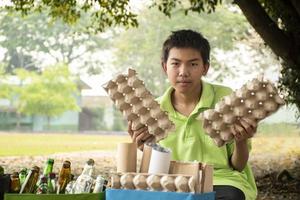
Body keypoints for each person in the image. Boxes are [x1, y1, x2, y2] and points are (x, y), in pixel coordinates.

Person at [128, 29, 257, 200]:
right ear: (164, 67)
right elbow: (154, 172)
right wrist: (144, 148)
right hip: (172, 183)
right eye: (175, 64)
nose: (183, 72)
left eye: (193, 64)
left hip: (221, 181)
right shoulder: (153, 110)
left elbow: (238, 165)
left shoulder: (225, 99)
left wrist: (241, 141)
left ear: (205, 67)